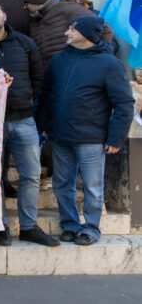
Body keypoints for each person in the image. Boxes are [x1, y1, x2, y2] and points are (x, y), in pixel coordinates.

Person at [36, 16, 134, 246]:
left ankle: (91, 228)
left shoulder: (109, 64)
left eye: (71, 29)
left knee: (92, 187)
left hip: (91, 138)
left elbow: (123, 104)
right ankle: (70, 225)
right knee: (62, 184)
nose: (66, 33)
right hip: (60, 135)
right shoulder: (59, 60)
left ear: (88, 35)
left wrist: (116, 137)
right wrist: (41, 125)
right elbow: (46, 95)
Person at [0, 0, 57, 247]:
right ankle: (0, 225)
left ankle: (29, 226)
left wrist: (29, 102)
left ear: (4, 16)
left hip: (24, 119)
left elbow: (38, 78)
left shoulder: (24, 43)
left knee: (30, 174)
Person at [24, 0, 113, 73]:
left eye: (26, 3)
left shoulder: (68, 9)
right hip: (51, 77)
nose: (25, 7)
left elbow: (105, 30)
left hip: (77, 72)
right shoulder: (34, 21)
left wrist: (93, 58)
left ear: (35, 2)